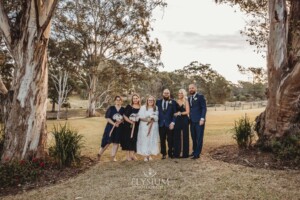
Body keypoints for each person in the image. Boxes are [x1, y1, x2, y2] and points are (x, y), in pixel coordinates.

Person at [97, 96, 125, 162]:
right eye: (117, 100)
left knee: (116, 142)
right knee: (107, 142)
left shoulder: (123, 109)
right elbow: (107, 118)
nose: (118, 101)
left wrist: (120, 122)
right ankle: (99, 154)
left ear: (121, 101)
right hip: (110, 127)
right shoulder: (111, 108)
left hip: (119, 128)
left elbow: (124, 118)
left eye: (119, 100)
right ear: (115, 101)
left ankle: (113, 157)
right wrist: (114, 124)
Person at [136, 96, 160, 162]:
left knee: (151, 140)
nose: (150, 101)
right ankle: (145, 156)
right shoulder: (143, 107)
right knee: (145, 140)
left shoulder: (156, 108)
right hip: (144, 126)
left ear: (153, 101)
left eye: (152, 100)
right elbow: (140, 117)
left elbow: (157, 117)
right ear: (147, 101)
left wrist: (153, 118)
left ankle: (149, 155)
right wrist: (147, 119)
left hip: (153, 127)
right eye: (149, 100)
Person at [156, 89, 177, 159]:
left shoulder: (173, 102)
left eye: (167, 93)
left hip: (170, 124)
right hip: (161, 124)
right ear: (163, 94)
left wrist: (173, 122)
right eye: (165, 93)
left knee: (170, 139)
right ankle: (163, 154)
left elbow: (175, 114)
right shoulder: (158, 102)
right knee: (162, 140)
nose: (166, 94)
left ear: (169, 94)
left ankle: (170, 153)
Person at [188, 84, 207, 159]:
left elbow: (204, 108)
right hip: (192, 121)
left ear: (196, 88)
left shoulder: (200, 96)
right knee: (193, 137)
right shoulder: (189, 98)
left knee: (199, 137)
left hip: (199, 121)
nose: (191, 89)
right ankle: (194, 151)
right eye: (189, 88)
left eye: (192, 88)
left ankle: (197, 154)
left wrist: (202, 118)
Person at [120, 94, 141, 161]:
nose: (135, 99)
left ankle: (132, 155)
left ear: (138, 99)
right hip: (128, 126)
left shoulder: (141, 107)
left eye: (136, 98)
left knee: (134, 140)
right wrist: (131, 122)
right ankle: (127, 156)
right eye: (134, 98)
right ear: (132, 99)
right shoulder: (129, 106)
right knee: (127, 140)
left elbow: (141, 116)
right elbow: (125, 116)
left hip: (136, 126)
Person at [173, 89, 190, 158]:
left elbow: (187, 111)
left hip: (185, 119)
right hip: (177, 120)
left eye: (181, 93)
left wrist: (180, 113)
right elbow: (174, 112)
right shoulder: (175, 101)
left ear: (184, 94)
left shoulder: (186, 101)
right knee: (177, 136)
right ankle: (177, 153)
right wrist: (176, 114)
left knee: (185, 135)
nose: (180, 94)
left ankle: (185, 154)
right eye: (179, 93)